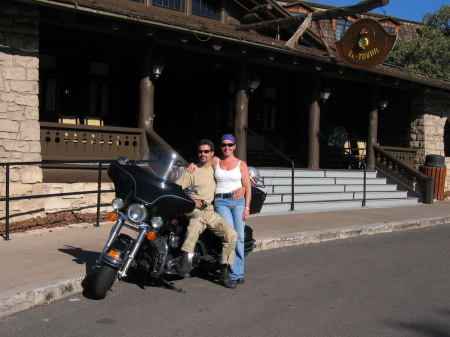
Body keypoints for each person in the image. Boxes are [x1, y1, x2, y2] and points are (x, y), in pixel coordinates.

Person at [175, 139, 238, 289]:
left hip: (209, 211)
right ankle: (185, 260)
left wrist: (243, 189)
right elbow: (176, 188)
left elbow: (232, 172)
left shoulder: (216, 168)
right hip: (193, 209)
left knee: (232, 234)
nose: (203, 154)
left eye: (206, 151)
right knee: (197, 220)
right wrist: (190, 199)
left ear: (212, 154)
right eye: (200, 151)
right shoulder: (192, 170)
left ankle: (224, 271)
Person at [213, 134, 251, 285]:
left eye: (230, 145)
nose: (226, 147)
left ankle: (237, 273)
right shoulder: (215, 160)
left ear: (235, 146)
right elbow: (201, 162)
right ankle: (227, 268)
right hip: (221, 201)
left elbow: (248, 187)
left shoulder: (241, 164)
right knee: (230, 234)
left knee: (240, 237)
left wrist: (247, 207)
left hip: (238, 202)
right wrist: (191, 165)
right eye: (224, 145)